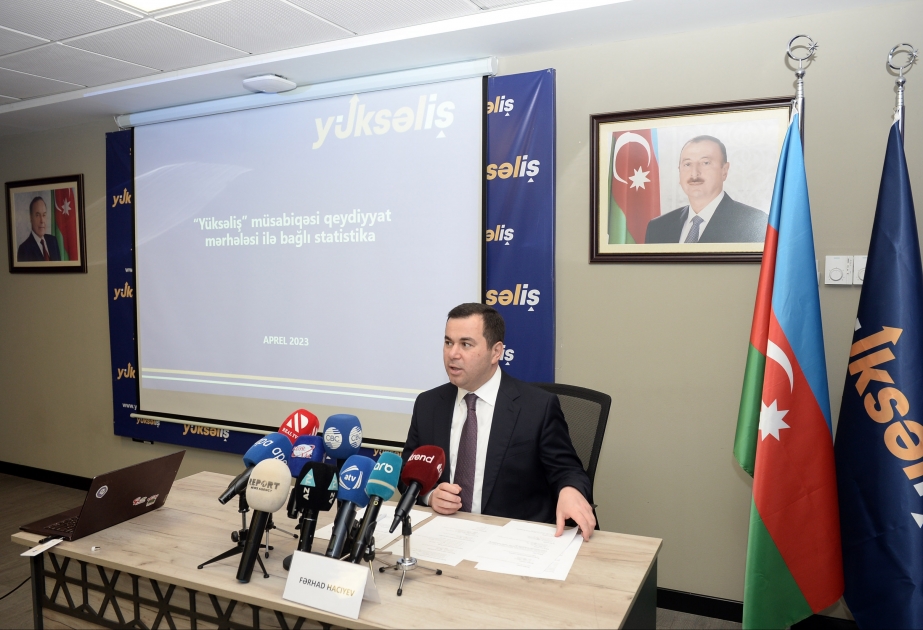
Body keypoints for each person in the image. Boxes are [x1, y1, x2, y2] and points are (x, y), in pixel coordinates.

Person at [402, 303, 596, 541]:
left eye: (466, 344)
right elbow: (407, 473)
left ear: (496, 352)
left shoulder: (537, 407)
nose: (453, 354)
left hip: (512, 540)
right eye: (448, 342)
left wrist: (570, 491)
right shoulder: (428, 404)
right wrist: (430, 495)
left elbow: (568, 470)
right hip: (445, 536)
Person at [645, 135, 767, 244]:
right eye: (687, 164)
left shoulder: (754, 223)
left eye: (705, 163)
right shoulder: (657, 227)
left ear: (724, 171)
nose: (694, 173)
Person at [17, 196, 61, 262]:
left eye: (44, 215)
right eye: (37, 215)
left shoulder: (53, 241)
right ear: (31, 217)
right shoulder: (24, 250)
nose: (42, 220)